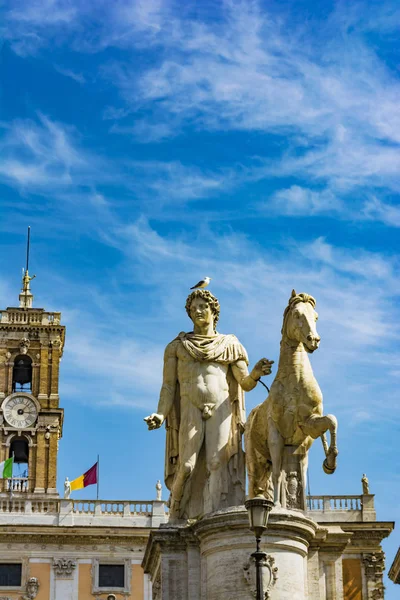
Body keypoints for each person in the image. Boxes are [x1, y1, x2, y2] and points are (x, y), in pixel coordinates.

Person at [145, 289, 273, 520]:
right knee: (186, 466)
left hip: (221, 409)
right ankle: (175, 514)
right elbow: (168, 387)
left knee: (217, 463)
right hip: (190, 408)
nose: (197, 312)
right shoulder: (177, 347)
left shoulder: (229, 344)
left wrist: (254, 373)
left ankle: (213, 518)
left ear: (214, 311)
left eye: (202, 307)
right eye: (193, 309)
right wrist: (161, 414)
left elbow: (244, 383)